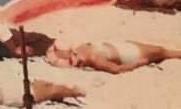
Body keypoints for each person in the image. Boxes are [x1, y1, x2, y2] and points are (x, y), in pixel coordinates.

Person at [46, 40, 181, 74]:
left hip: (120, 46)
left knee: (162, 51)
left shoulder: (81, 48)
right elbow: (117, 69)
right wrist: (138, 64)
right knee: (164, 51)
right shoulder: (94, 58)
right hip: (129, 53)